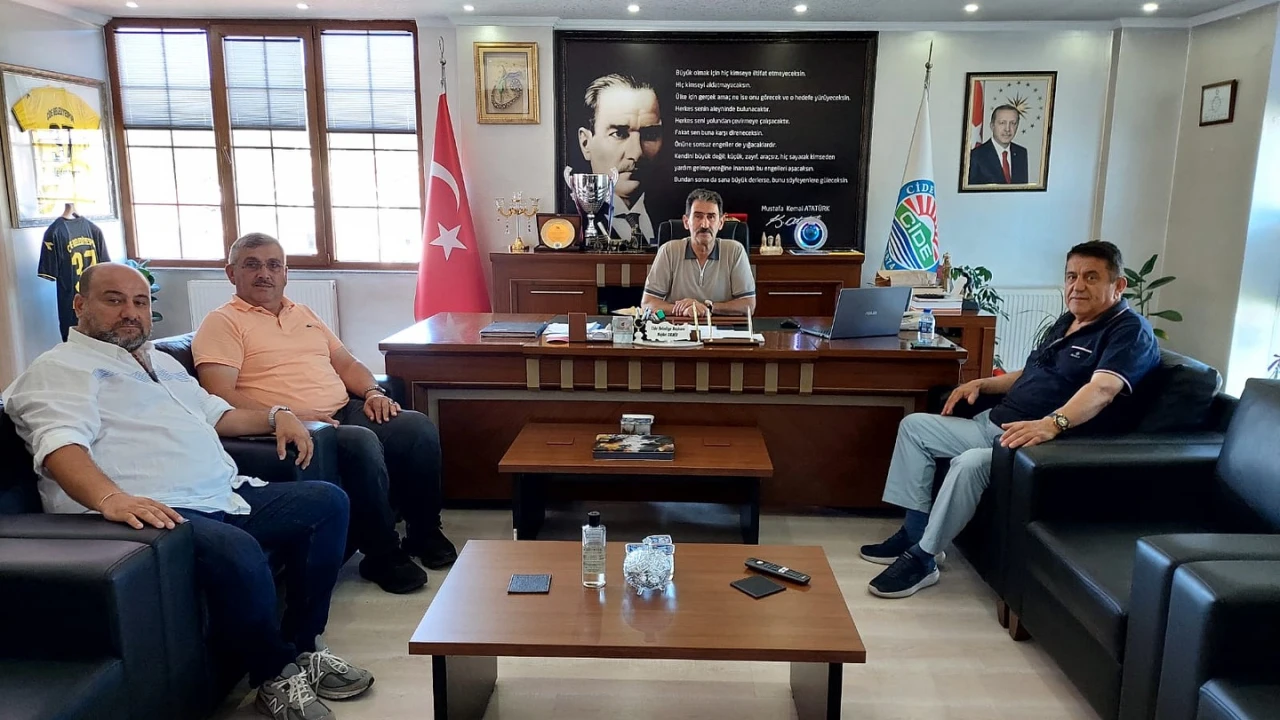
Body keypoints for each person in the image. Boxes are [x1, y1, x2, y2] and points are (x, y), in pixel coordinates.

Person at [2, 263, 372, 720]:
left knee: (326, 502)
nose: (130, 312)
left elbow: (218, 414)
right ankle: (273, 674)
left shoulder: (158, 361)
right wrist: (109, 498)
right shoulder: (59, 369)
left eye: (140, 302)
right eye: (114, 300)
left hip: (220, 494)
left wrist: (277, 415)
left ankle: (302, 646)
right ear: (80, 305)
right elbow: (60, 444)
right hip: (152, 512)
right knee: (237, 549)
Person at [860, 241, 1160, 599]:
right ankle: (914, 533)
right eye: (1071, 276)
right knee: (915, 427)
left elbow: (1103, 389)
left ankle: (923, 559)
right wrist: (983, 383)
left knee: (969, 463)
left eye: (1091, 277)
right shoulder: (1069, 321)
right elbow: (1032, 372)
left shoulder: (1129, 331)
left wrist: (1051, 424)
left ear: (1118, 285)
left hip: (1036, 444)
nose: (1077, 286)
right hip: (993, 425)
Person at [192, 233, 456, 595]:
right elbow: (220, 393)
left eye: (273, 265)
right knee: (361, 442)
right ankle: (381, 554)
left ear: (286, 273)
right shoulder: (222, 322)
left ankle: (424, 532)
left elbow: (346, 363)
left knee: (416, 427)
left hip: (343, 409)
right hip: (295, 425)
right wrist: (290, 414)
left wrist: (372, 392)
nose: (264, 274)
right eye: (252, 265)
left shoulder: (304, 314)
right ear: (231, 273)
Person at [641, 189, 756, 318]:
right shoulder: (669, 251)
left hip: (722, 327)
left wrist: (709, 308)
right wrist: (684, 310)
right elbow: (648, 304)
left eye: (711, 217)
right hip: (677, 327)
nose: (705, 224)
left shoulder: (735, 251)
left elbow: (748, 306)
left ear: (721, 222)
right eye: (698, 216)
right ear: (686, 222)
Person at [578, 73, 664, 245]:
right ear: (586, 143)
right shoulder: (572, 224)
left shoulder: (678, 217)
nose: (636, 153)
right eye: (619, 134)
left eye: (650, 135)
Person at [967, 105, 1029, 185]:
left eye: (1013, 123)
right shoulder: (976, 156)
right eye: (1002, 123)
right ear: (992, 126)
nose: (1007, 129)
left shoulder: (1021, 153)